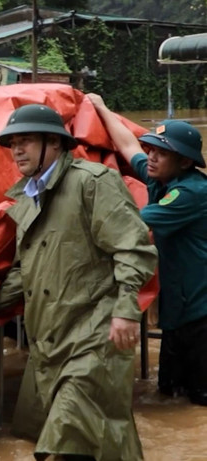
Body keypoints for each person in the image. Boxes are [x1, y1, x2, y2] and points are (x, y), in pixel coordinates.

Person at [0, 104, 157, 460]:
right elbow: (28, 271)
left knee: (72, 434)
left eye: (26, 142)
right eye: (13, 143)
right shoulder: (26, 196)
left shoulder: (92, 182)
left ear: (54, 143)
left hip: (93, 335)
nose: (17, 150)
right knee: (90, 440)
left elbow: (133, 248)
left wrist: (127, 310)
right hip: (49, 339)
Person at [88, 93, 207, 406]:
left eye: (161, 153)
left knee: (199, 399)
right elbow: (129, 146)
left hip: (200, 313)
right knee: (169, 395)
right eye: (151, 149)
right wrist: (101, 108)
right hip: (179, 308)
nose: (151, 157)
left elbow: (132, 224)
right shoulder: (161, 180)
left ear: (185, 161)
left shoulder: (190, 193)